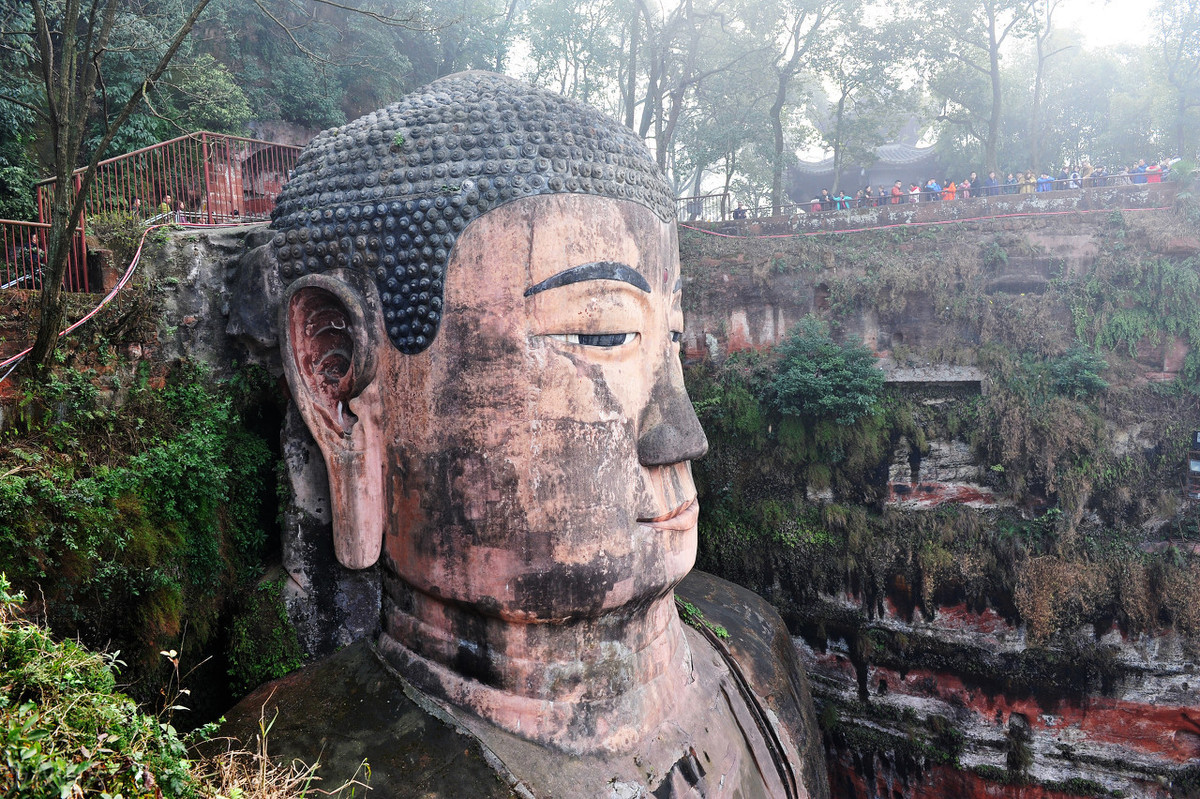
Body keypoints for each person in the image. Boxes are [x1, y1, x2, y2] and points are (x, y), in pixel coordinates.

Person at [228, 71, 826, 799]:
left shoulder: (758, 654)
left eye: (669, 338)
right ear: (339, 381)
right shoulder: (279, 775)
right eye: (604, 332)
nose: (683, 435)